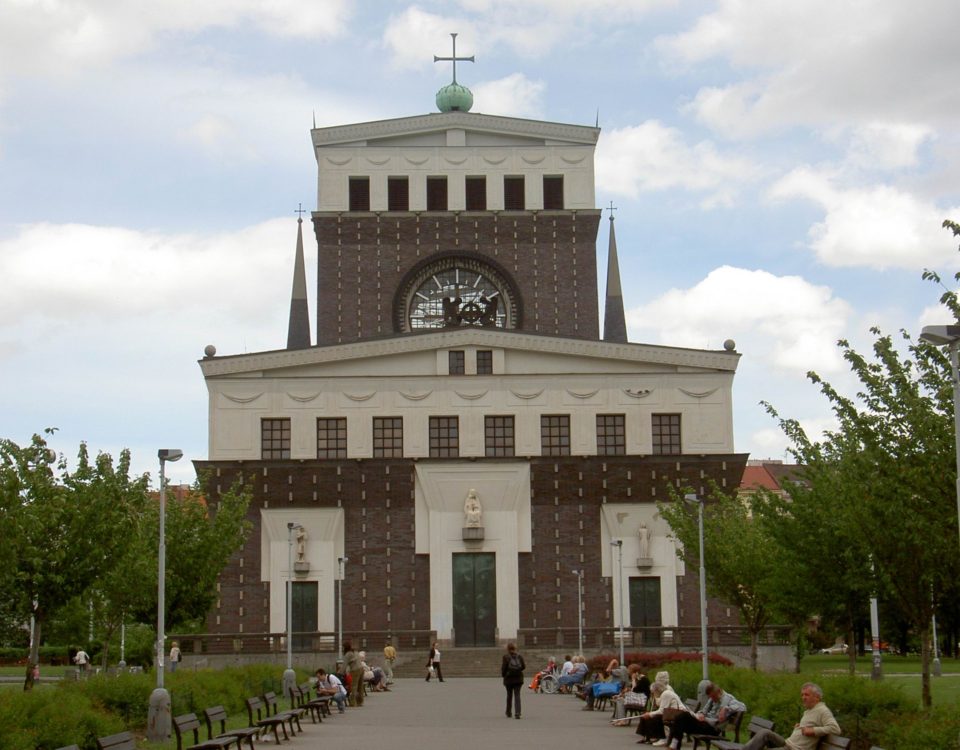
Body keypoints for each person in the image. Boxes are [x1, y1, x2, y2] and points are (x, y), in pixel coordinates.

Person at [739, 683, 840, 750]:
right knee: (764, 732)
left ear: (817, 697)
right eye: (802, 695)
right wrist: (800, 727)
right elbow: (809, 726)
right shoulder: (810, 710)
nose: (803, 698)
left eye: (807, 695)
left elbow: (835, 729)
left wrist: (813, 730)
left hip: (794, 749)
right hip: (787, 743)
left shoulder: (823, 710)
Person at [666, 682, 746, 748]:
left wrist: (726, 708)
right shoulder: (712, 699)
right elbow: (704, 711)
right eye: (710, 697)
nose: (712, 699)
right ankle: (675, 745)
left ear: (719, 692)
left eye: (713, 696)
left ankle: (674, 745)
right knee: (679, 717)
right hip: (704, 724)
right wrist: (700, 714)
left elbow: (743, 706)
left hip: (712, 729)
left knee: (682, 717)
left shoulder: (728, 699)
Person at [637, 680, 688, 745]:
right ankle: (648, 737)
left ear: (657, 690)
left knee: (657, 718)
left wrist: (649, 714)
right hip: (673, 712)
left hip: (677, 714)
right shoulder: (664, 693)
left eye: (653, 692)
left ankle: (663, 738)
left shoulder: (666, 694)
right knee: (652, 716)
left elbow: (661, 711)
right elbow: (661, 707)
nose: (653, 694)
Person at [501, 642, 525, 719]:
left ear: (507, 649)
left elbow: (504, 668)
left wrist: (504, 675)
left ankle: (508, 712)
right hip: (518, 679)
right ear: (515, 648)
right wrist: (517, 671)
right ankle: (518, 713)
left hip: (509, 679)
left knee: (509, 695)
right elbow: (523, 666)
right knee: (517, 695)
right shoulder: (519, 656)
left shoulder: (506, 657)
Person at [343, 640, 364, 707]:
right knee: (360, 687)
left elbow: (344, 665)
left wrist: (340, 673)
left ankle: (353, 702)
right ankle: (360, 701)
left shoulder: (348, 654)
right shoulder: (355, 651)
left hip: (355, 670)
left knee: (354, 686)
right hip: (361, 669)